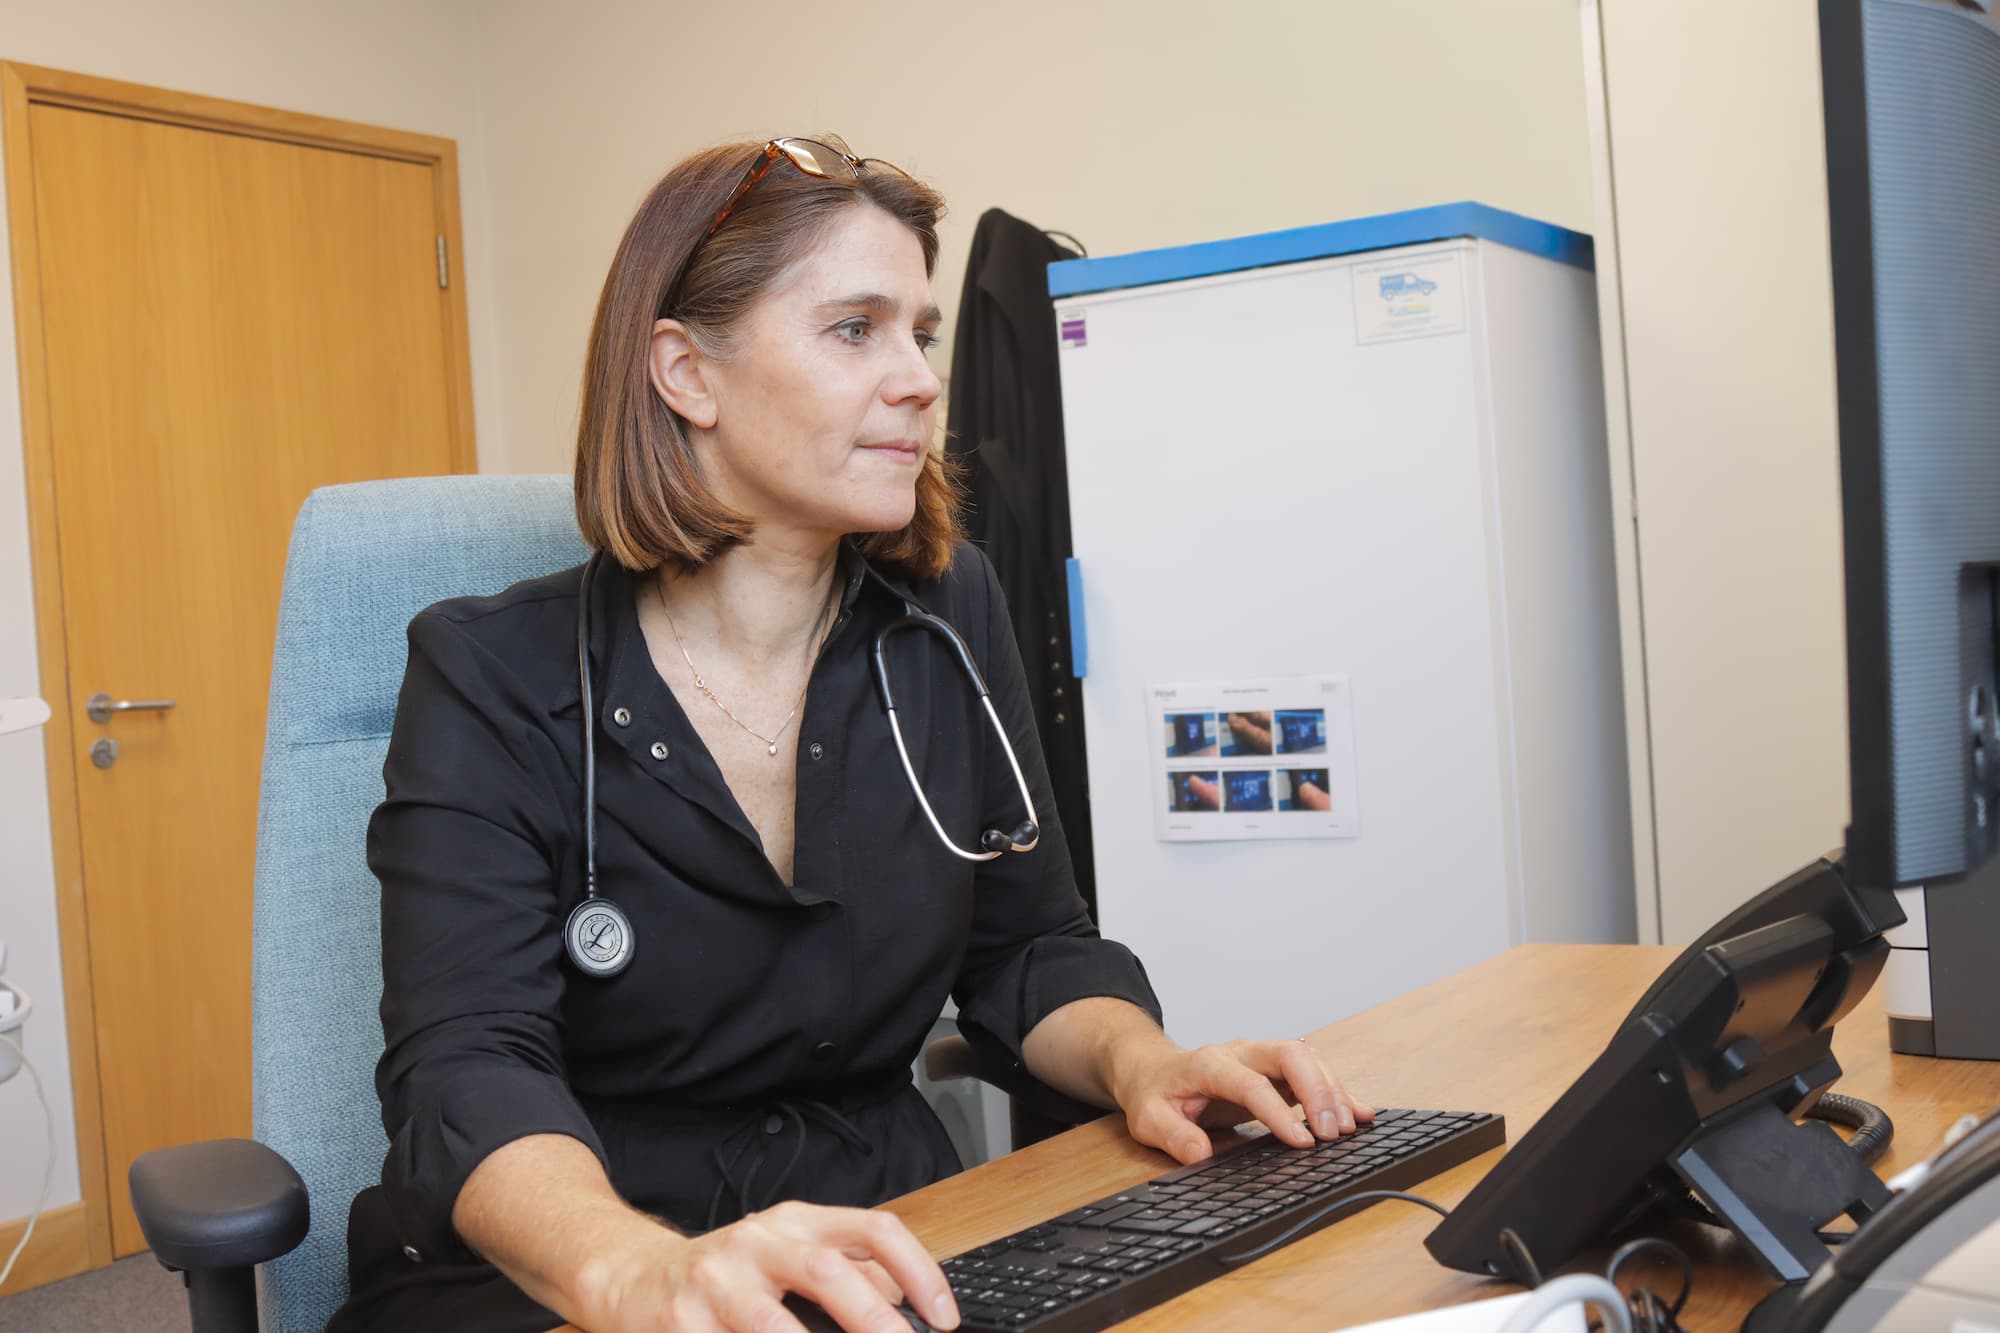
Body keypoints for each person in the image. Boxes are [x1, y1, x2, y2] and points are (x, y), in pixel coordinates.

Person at [330, 136, 1374, 1333]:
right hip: (581, 1259)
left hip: (891, 1238)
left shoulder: (945, 617)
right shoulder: (491, 672)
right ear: (685, 372)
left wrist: (1144, 1062)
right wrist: (636, 1270)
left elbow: (1027, 951)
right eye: (853, 329)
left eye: (918, 333)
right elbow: (468, 1065)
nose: (919, 380)